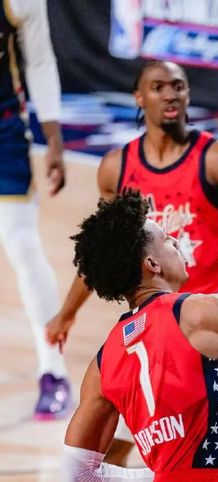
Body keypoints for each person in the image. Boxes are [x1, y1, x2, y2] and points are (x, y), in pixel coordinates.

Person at [44, 59, 218, 468]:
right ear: (139, 97)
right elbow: (104, 250)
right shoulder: (117, 167)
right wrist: (66, 313)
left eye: (178, 86)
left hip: (214, 308)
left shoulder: (215, 158)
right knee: (116, 443)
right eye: (158, 87)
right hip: (155, 318)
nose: (170, 94)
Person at [62, 190, 218, 482]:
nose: (176, 241)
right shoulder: (205, 312)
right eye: (166, 240)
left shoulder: (101, 364)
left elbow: (77, 474)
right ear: (152, 264)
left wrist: (164, 476)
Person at [0, 0, 70, 419]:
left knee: (22, 245)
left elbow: (40, 59)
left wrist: (54, 139)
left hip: (3, 129)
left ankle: (53, 372)